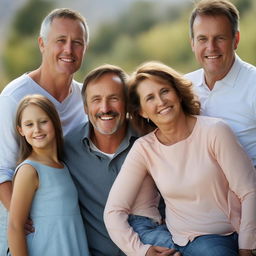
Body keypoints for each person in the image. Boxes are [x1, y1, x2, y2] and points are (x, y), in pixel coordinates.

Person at [104, 61, 256, 256]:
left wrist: (246, 246)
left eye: (165, 91)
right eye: (150, 98)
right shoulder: (144, 149)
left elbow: (249, 190)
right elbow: (113, 212)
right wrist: (141, 252)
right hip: (181, 240)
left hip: (225, 236)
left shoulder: (215, 131)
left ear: (177, 93)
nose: (161, 101)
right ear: (142, 111)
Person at [64, 64, 179, 256]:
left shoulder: (152, 140)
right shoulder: (68, 149)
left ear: (127, 103)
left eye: (113, 98)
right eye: (96, 100)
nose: (105, 108)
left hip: (157, 246)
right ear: (85, 107)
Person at [0, 8, 89, 255]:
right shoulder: (13, 97)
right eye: (60, 41)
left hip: (70, 225)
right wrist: (26, 223)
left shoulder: (86, 98)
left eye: (77, 43)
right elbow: (1, 170)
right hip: (33, 229)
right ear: (42, 44)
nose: (68, 50)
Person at [7, 94, 90, 256]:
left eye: (43, 122)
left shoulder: (64, 166)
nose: (37, 129)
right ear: (21, 130)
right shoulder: (29, 170)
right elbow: (15, 226)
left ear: (55, 122)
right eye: (29, 124)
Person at [185, 0, 256, 167]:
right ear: (192, 43)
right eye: (202, 39)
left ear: (235, 39)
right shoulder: (183, 86)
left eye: (220, 38)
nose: (211, 48)